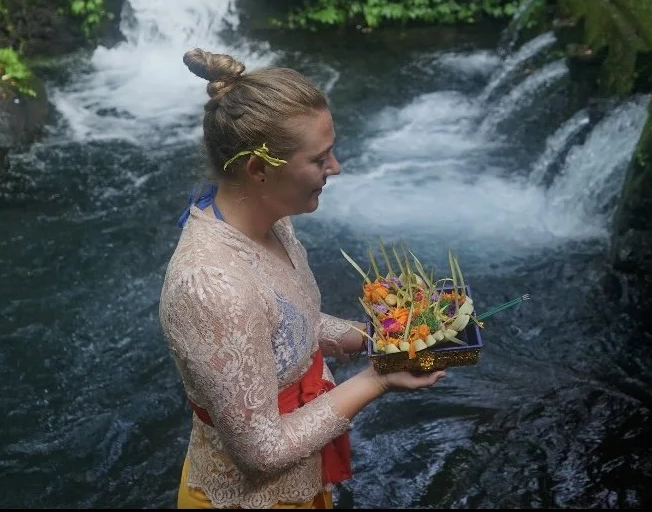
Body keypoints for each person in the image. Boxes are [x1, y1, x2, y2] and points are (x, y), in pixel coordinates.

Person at [160, 48, 447, 509]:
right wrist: (377, 380)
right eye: (320, 158)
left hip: (302, 483)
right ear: (259, 170)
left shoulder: (272, 222)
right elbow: (260, 453)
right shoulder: (212, 287)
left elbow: (292, 328)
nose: (335, 168)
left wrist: (383, 337)